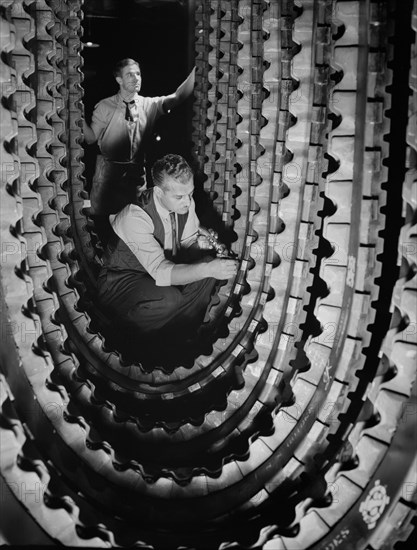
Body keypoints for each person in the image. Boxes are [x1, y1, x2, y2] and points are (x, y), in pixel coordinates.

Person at [97, 154, 237, 358]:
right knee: (169, 297)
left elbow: (186, 241)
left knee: (206, 265)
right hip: (120, 282)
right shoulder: (134, 216)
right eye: (179, 197)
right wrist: (208, 268)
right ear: (159, 191)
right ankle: (125, 341)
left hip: (154, 279)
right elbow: (162, 273)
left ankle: (176, 333)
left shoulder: (184, 203)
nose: (187, 202)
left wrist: (201, 246)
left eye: (190, 194)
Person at [83, 58, 195, 216]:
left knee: (136, 222)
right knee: (104, 221)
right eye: (130, 75)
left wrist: (197, 71)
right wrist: (77, 117)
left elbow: (177, 97)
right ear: (119, 80)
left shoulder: (149, 105)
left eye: (138, 74)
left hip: (136, 178)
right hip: (108, 176)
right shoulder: (105, 106)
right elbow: (90, 138)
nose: (136, 78)